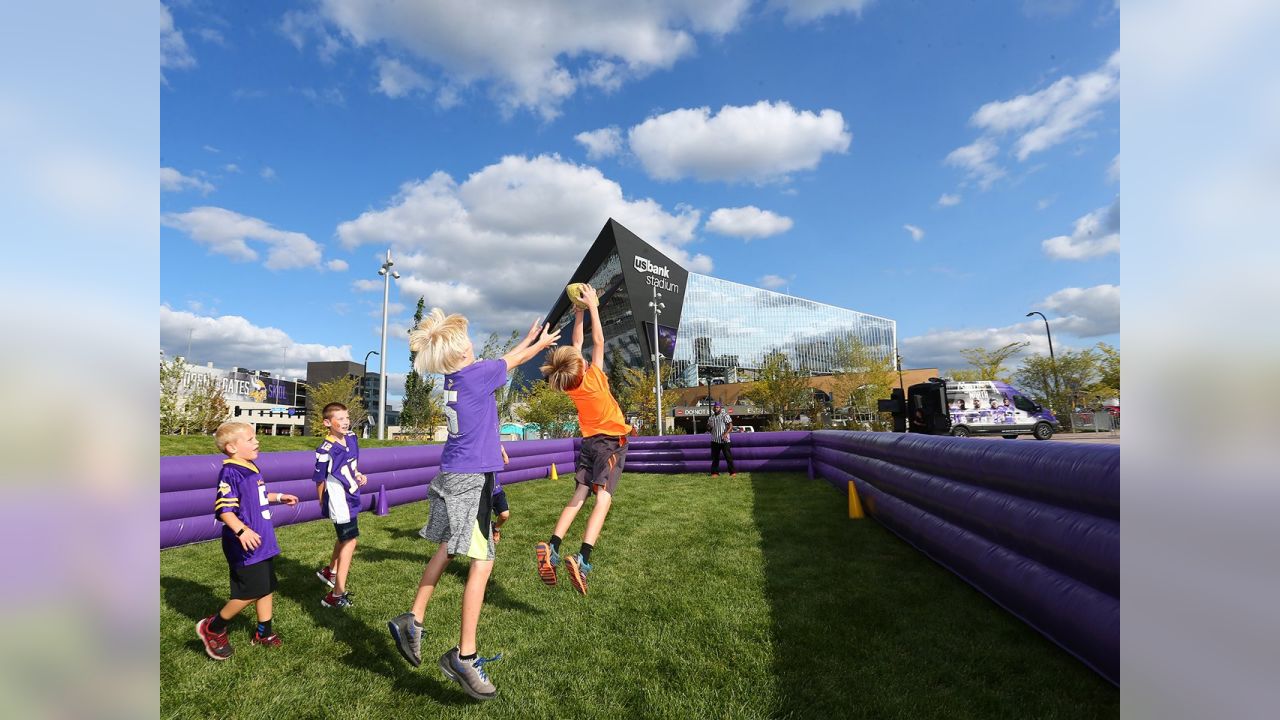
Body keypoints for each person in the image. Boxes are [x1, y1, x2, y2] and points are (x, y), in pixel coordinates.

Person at [386, 309, 559, 701]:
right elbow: (513, 362)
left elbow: (497, 375)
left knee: (449, 547)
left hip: (456, 471)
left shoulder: (456, 379)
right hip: (469, 479)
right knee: (482, 562)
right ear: (461, 350)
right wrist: (541, 344)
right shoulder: (476, 373)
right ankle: (465, 656)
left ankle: (412, 619)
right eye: (466, 338)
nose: (471, 341)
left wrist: (529, 339)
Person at [535, 284, 633, 597]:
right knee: (603, 497)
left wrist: (578, 313)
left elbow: (578, 343)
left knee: (579, 495)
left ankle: (551, 547)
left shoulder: (572, 385)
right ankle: (584, 559)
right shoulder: (592, 378)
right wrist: (592, 305)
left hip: (589, 443)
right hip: (611, 442)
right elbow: (599, 340)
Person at [196, 422, 299, 660]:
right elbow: (225, 510)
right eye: (251, 439)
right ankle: (213, 627)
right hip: (244, 544)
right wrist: (242, 532)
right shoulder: (231, 472)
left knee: (266, 587)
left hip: (261, 541)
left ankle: (264, 632)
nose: (257, 442)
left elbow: (258, 497)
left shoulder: (250, 467)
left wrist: (280, 497)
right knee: (249, 592)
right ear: (232, 447)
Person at [313, 403, 366, 609]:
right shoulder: (325, 450)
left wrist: (358, 475)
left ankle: (329, 572)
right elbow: (319, 480)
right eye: (340, 419)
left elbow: (351, 466)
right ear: (327, 423)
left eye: (347, 417)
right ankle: (336, 594)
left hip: (351, 495)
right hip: (339, 500)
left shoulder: (352, 438)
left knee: (345, 538)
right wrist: (323, 502)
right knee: (350, 542)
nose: (345, 422)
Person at [707, 402, 736, 477]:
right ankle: (715, 473)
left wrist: (726, 433)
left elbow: (730, 426)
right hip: (715, 440)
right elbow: (709, 427)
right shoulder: (711, 417)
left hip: (725, 440)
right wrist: (709, 427)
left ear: (720, 408)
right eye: (715, 407)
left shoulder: (725, 415)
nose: (716, 408)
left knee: (728, 457)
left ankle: (732, 472)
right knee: (715, 458)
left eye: (717, 407)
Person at [492, 445, 511, 544]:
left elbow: (506, 461)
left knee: (505, 515)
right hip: (483, 493)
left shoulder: (493, 447)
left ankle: (496, 529)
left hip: (497, 491)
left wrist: (503, 452)